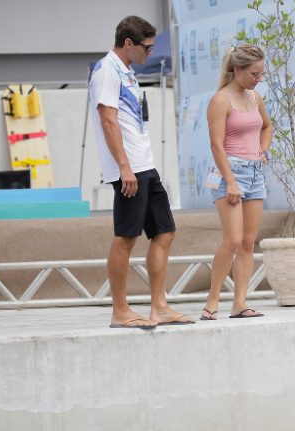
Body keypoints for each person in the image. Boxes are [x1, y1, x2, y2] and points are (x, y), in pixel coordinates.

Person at [91, 16, 194, 328]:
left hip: (144, 165)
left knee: (164, 230)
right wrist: (124, 167)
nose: (151, 52)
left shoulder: (128, 73)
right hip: (129, 168)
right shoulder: (107, 71)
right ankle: (120, 311)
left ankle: (159, 305)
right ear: (127, 44)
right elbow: (108, 121)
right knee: (126, 237)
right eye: (146, 47)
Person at [200, 44, 272, 320]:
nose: (258, 78)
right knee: (231, 240)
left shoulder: (255, 97)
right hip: (230, 171)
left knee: (248, 241)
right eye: (254, 73)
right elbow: (216, 145)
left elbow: (267, 126)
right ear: (236, 70)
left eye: (261, 73)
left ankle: (240, 301)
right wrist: (230, 181)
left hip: (254, 171)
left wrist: (262, 149)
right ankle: (213, 298)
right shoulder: (221, 100)